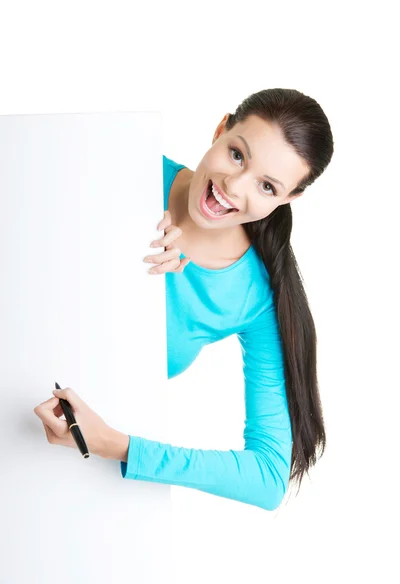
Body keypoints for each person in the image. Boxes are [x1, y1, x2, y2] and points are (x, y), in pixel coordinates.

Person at [34, 88, 334, 511]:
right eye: (237, 155)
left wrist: (118, 447)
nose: (233, 186)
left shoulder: (256, 297)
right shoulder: (121, 164)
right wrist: (121, 243)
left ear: (287, 199)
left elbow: (266, 478)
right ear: (220, 129)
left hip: (68, 486)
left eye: (267, 186)